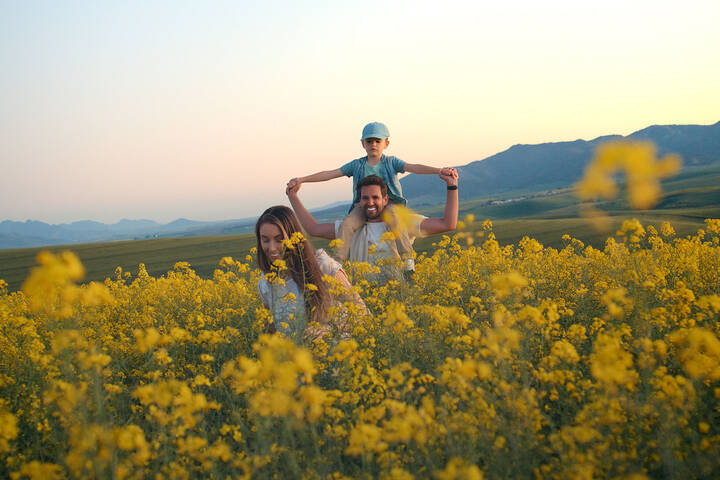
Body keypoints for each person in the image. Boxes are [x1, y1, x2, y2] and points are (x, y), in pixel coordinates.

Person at [287, 121, 454, 262]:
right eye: (369, 141)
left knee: (396, 219)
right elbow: (330, 174)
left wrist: (438, 170)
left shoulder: (391, 162)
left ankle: (408, 261)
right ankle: (337, 265)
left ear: (386, 143)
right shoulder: (356, 165)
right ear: (363, 144)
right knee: (347, 224)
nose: (373, 144)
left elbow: (413, 167)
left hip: (391, 206)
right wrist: (302, 179)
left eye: (377, 141)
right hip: (361, 207)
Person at [286, 170, 459, 278]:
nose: (370, 203)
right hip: (362, 302)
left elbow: (448, 224)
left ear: (385, 199)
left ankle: (408, 266)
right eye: (365, 198)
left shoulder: (402, 222)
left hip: (399, 300)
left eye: (375, 198)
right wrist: (293, 197)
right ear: (358, 201)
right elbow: (313, 229)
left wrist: (452, 187)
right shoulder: (351, 228)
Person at [254, 206, 362, 343]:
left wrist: (329, 331)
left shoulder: (324, 267)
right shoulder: (266, 282)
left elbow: (364, 315)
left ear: (294, 237)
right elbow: (272, 330)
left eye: (279, 239)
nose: (272, 248)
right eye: (265, 240)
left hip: (340, 359)